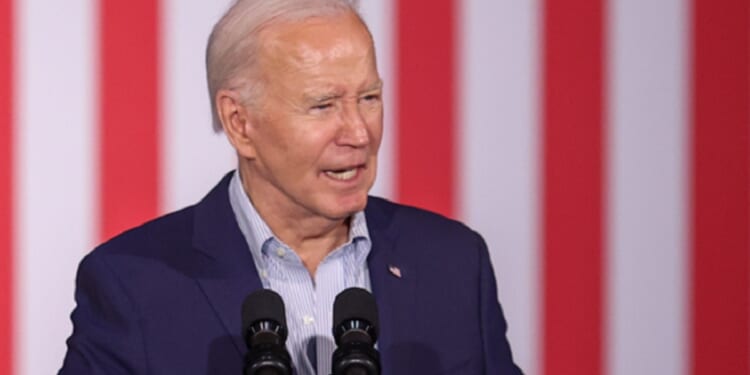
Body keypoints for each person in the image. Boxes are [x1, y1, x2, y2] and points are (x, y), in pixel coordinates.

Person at [60, 0, 523, 374]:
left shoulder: (455, 264)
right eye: (323, 105)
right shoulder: (133, 284)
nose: (359, 133)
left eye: (369, 98)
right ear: (240, 123)